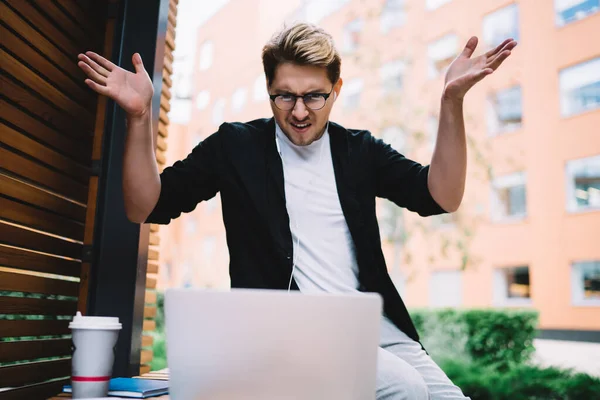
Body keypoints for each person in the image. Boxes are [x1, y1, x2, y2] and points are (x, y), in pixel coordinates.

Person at [78, 22, 516, 400]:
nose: (300, 112)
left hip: (380, 333)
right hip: (292, 337)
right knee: (403, 388)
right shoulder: (236, 147)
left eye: (315, 97)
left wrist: (451, 102)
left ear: (336, 89)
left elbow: (440, 196)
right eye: (284, 97)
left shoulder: (360, 151)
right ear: (268, 90)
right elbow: (145, 206)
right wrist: (139, 118)